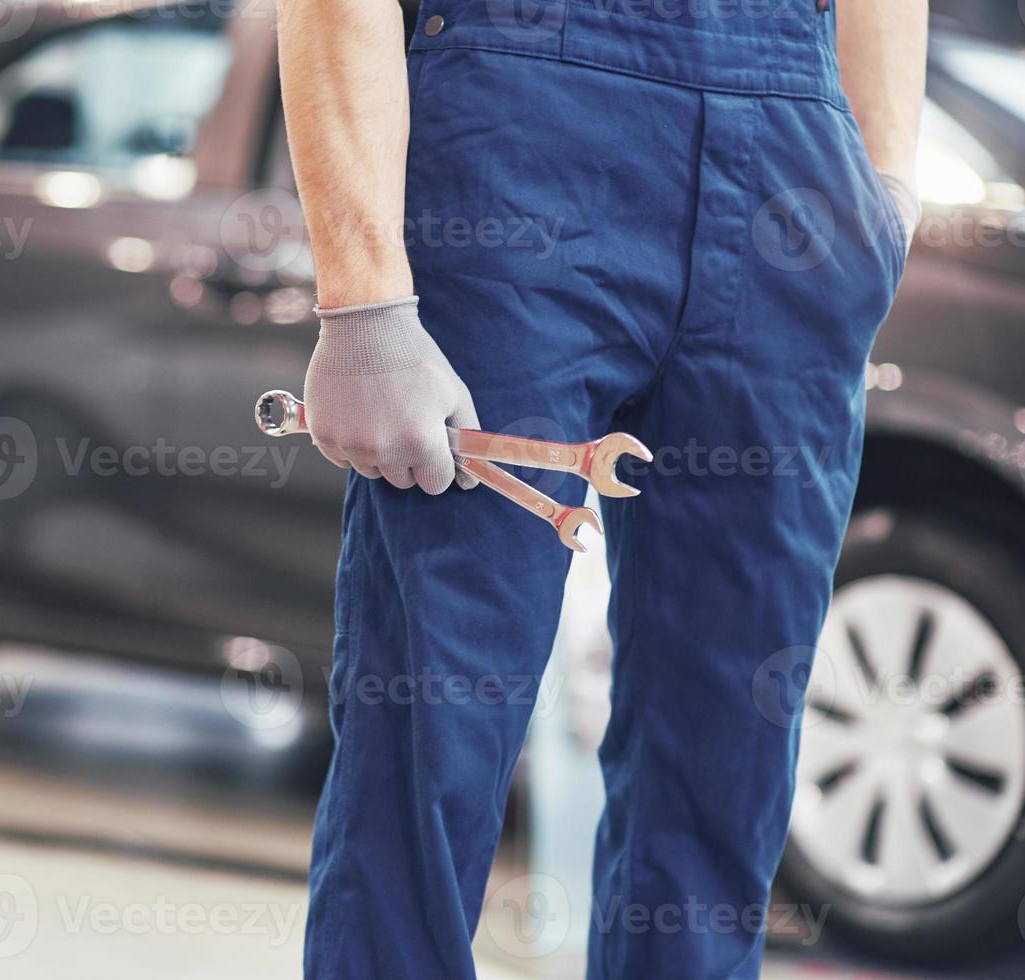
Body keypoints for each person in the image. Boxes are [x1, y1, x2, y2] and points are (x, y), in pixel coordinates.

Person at [276, 0, 926, 975]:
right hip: (522, 110)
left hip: (791, 122)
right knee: (435, 726)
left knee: (727, 750)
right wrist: (364, 297)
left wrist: (884, 190)